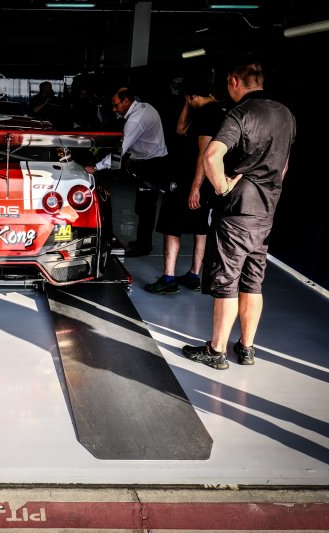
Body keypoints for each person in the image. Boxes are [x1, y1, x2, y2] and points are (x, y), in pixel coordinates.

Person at [183, 57, 295, 369]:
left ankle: (216, 351)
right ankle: (246, 348)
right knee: (253, 281)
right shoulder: (286, 114)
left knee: (226, 281)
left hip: (236, 211)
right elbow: (283, 166)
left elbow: (212, 155)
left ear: (234, 81)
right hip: (266, 211)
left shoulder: (240, 113)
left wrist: (222, 188)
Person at [145, 75, 225, 294]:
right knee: (201, 227)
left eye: (187, 98)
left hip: (189, 179)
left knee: (171, 225)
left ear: (192, 95)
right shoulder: (217, 110)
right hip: (207, 179)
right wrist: (188, 102)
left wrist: (195, 187)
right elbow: (181, 129)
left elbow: (204, 153)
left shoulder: (207, 113)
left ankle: (169, 278)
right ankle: (193, 275)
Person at [84, 87, 169, 257]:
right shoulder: (143, 107)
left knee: (146, 208)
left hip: (152, 164)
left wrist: (96, 167)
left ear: (126, 101)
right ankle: (141, 241)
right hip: (148, 160)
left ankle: (144, 247)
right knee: (142, 207)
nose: (114, 109)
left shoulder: (135, 120)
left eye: (116, 105)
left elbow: (119, 151)